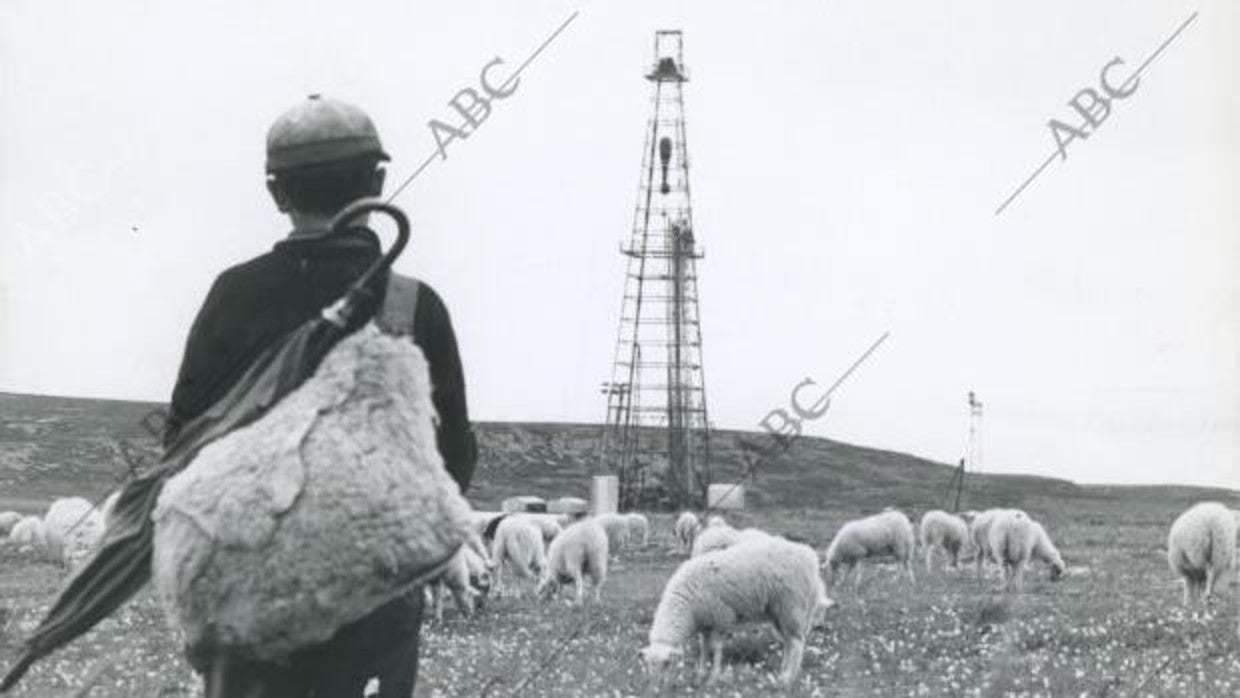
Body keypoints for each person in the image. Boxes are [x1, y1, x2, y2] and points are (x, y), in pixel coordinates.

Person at [164, 95, 477, 697]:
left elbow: (182, 447)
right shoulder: (413, 306)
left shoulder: (234, 296)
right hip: (374, 602)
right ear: (377, 183)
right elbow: (452, 462)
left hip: (248, 598)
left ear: (276, 193)